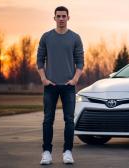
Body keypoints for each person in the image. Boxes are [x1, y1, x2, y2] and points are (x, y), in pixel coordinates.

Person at [36, 6, 84, 165]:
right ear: (54, 18)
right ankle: (46, 153)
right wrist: (43, 78)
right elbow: (39, 60)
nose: (61, 18)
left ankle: (68, 151)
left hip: (68, 86)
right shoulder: (46, 37)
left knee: (69, 120)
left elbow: (80, 62)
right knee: (47, 120)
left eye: (64, 16)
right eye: (59, 16)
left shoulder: (75, 38)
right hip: (50, 86)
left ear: (68, 18)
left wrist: (75, 79)